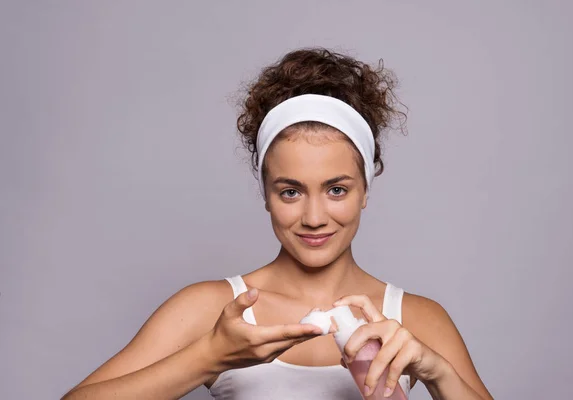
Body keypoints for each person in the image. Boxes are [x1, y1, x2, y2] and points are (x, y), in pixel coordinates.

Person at [62, 48, 493, 400]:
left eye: (336, 189)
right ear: (266, 194)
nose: (314, 217)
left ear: (366, 188)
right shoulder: (213, 310)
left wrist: (438, 374)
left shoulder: (416, 318)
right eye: (290, 191)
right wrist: (211, 355)